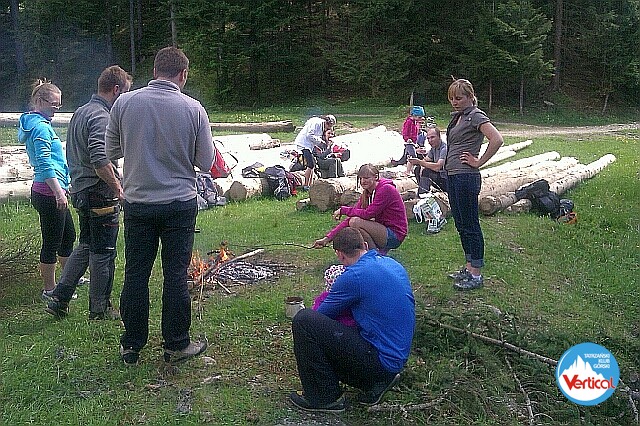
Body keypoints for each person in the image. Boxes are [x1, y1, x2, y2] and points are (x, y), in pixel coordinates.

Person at [106, 46, 215, 365]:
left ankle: (132, 344)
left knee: (136, 273)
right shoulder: (194, 108)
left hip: (138, 202)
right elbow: (206, 161)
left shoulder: (124, 103)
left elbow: (111, 151)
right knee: (175, 274)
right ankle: (176, 344)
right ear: (183, 75)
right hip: (179, 203)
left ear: (154, 71)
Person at [290, 227, 415, 412]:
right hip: (395, 358)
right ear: (365, 245)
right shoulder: (391, 263)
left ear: (340, 255)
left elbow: (320, 316)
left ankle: (324, 397)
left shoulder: (354, 276)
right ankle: (378, 383)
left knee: (304, 320)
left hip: (380, 362)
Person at [45, 65, 132, 320]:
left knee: (86, 245)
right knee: (104, 251)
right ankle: (99, 309)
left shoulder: (81, 112)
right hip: (99, 192)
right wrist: (118, 189)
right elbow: (100, 160)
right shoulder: (101, 117)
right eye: (125, 93)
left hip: (81, 190)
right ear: (116, 90)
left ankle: (59, 297)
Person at [18, 79, 75, 301]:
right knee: (52, 241)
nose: (56, 109)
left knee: (68, 235)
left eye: (59, 105)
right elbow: (44, 163)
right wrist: (59, 192)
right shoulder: (40, 127)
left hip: (52, 189)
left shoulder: (37, 123)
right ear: (40, 101)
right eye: (53, 105)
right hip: (48, 192)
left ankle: (69, 277)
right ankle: (50, 289)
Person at [445, 79, 503, 291]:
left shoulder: (476, 115)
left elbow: (496, 139)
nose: (454, 102)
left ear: (470, 97)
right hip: (453, 175)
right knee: (461, 224)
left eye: (459, 98)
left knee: (470, 224)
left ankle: (476, 273)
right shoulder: (458, 117)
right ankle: (469, 267)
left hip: (466, 177)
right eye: (452, 98)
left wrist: (478, 162)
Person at [313, 164, 408, 255]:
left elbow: (368, 214)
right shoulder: (366, 194)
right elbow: (350, 219)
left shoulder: (386, 189)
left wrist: (343, 210)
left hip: (395, 235)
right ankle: (374, 255)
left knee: (355, 222)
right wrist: (327, 238)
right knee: (353, 223)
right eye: (360, 178)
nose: (362, 181)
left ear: (376, 177)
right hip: (383, 230)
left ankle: (375, 257)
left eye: (366, 178)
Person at [294, 114, 337, 188]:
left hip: (308, 146)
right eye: (329, 126)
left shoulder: (321, 125)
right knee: (310, 165)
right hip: (303, 144)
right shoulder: (317, 123)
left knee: (312, 165)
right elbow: (309, 135)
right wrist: (320, 142)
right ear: (327, 123)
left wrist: (319, 146)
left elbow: (314, 139)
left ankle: (310, 185)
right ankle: (306, 185)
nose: (328, 128)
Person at [408, 125, 448, 194]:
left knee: (426, 171)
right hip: (439, 177)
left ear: (439, 136)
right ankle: (422, 189)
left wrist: (420, 162)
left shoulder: (444, 148)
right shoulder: (433, 148)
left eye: (432, 137)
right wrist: (420, 164)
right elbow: (426, 159)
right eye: (428, 138)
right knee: (417, 169)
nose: (430, 141)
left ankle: (423, 194)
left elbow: (438, 167)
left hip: (446, 179)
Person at [391, 105, 425, 175]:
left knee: (408, 155)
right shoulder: (409, 122)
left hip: (413, 142)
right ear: (414, 115)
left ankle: (407, 169)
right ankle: (408, 171)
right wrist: (407, 139)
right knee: (413, 157)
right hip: (409, 142)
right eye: (419, 117)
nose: (420, 119)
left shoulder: (415, 122)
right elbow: (405, 132)